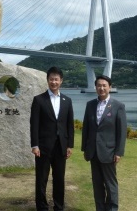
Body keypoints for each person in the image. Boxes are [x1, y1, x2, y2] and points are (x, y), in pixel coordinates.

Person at [30, 66, 75, 211]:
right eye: (51, 79)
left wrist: (70, 145)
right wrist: (35, 145)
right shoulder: (39, 100)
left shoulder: (67, 101)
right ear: (47, 80)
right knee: (41, 179)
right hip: (43, 147)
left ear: (61, 81)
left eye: (56, 79)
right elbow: (34, 124)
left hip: (61, 146)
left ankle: (59, 206)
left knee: (59, 179)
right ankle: (42, 207)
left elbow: (69, 125)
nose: (53, 82)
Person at [81, 75, 127, 211]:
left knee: (110, 184)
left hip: (109, 152)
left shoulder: (118, 106)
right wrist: (85, 149)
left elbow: (122, 131)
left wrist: (119, 152)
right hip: (93, 152)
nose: (101, 88)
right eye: (99, 85)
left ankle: (112, 208)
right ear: (95, 87)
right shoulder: (90, 105)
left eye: (104, 85)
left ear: (109, 87)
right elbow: (86, 128)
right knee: (97, 184)